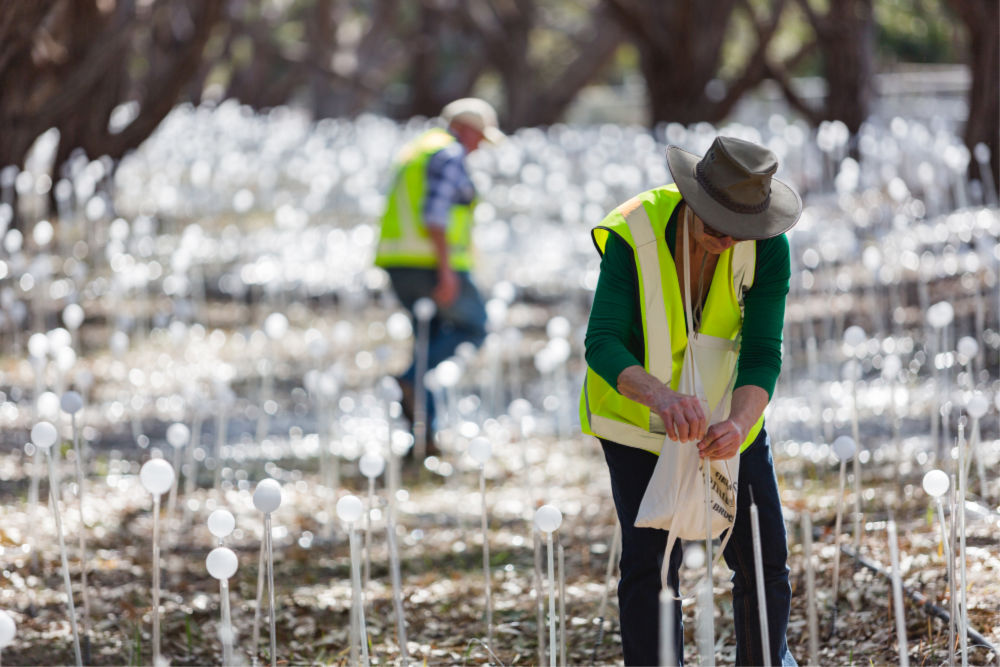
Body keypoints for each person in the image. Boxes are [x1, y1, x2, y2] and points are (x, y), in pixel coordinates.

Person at [579, 136, 801, 666]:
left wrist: (741, 424)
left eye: (740, 229)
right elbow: (602, 341)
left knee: (764, 557)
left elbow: (763, 352)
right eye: (715, 225)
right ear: (691, 198)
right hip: (636, 420)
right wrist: (662, 398)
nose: (727, 239)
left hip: (725, 418)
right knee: (651, 567)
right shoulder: (635, 230)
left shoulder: (767, 243)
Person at [375, 98, 503, 448]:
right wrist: (446, 272)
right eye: (479, 137)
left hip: (400, 262)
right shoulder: (449, 154)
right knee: (475, 326)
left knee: (427, 341)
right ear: (464, 129)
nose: (478, 147)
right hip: (430, 265)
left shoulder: (418, 150)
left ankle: (423, 437)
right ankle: (408, 381)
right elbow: (436, 215)